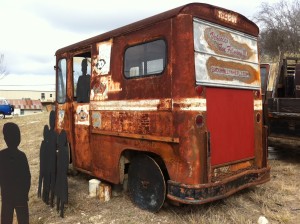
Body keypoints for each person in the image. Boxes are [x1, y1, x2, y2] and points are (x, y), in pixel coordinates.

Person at [0, 122, 31, 224]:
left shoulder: (1, 156)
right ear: (18, 138)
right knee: (23, 221)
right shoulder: (22, 156)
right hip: (21, 197)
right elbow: (27, 177)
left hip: (7, 197)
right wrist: (25, 193)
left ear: (5, 138)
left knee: (6, 220)